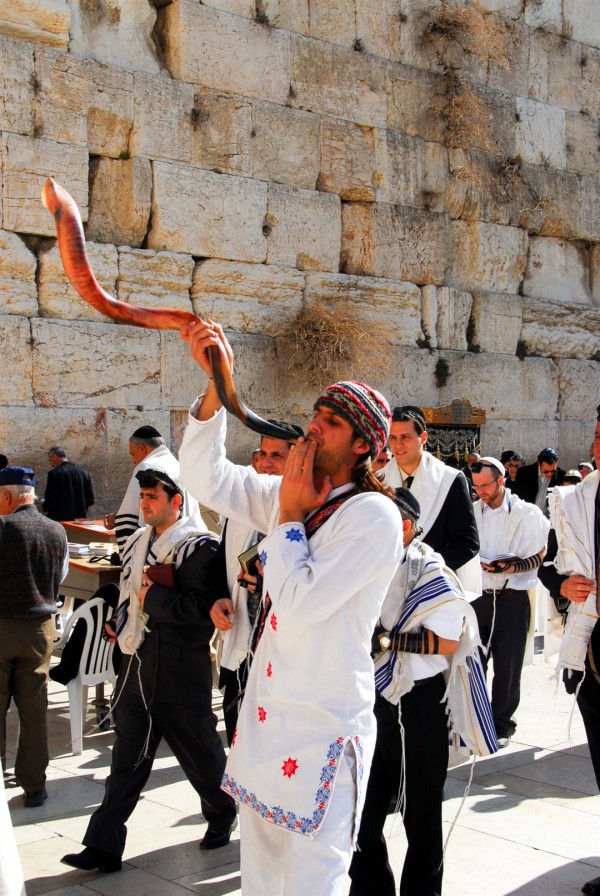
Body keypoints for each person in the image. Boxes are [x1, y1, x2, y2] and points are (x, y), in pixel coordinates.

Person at [179, 318, 403, 896]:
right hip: (268, 723)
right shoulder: (290, 493)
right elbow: (203, 478)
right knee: (260, 880)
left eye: (330, 423)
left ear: (361, 447)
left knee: (312, 884)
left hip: (325, 729)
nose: (312, 427)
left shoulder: (372, 517)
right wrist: (214, 384)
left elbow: (301, 604)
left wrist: (289, 517)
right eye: (316, 414)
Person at [62, 467, 236, 874]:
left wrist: (151, 595)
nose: (144, 503)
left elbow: (199, 611)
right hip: (136, 663)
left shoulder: (200, 548)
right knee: (126, 759)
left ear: (177, 501)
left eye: (152, 497)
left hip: (180, 671)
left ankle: (223, 809)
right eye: (142, 496)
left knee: (200, 754)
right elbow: (128, 592)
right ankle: (103, 845)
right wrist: (121, 620)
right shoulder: (139, 541)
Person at [349, 488, 496, 896]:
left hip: (420, 703)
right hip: (372, 699)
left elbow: (449, 641)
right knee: (362, 806)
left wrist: (386, 642)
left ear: (406, 528)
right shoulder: (363, 568)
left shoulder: (432, 574)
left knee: (422, 812)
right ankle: (370, 887)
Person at [538, 406, 600, 896]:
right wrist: (564, 583)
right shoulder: (574, 502)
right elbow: (546, 567)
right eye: (597, 435)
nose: (597, 446)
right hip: (594, 662)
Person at [211, 422, 303, 745]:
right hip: (241, 644)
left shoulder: (307, 512)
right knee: (237, 740)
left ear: (297, 459)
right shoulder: (241, 506)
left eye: (277, 455)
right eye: (262, 454)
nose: (266, 462)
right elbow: (219, 558)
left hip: (282, 659)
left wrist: (266, 584)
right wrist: (218, 598)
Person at [0, 466, 68, 807]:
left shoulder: (2, 526)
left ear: (8, 496)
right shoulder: (57, 531)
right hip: (40, 629)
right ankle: (35, 786)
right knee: (34, 708)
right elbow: (62, 574)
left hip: (2, 623)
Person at [471, 457, 550, 747]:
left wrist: (511, 567)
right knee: (472, 662)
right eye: (476, 485)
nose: (480, 490)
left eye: (485, 485)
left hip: (512, 598)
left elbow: (542, 552)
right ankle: (474, 721)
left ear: (501, 481)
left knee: (508, 666)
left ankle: (502, 725)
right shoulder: (470, 510)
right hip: (478, 598)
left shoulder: (528, 513)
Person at [383, 405, 481, 597]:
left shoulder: (450, 480)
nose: (398, 445)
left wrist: (422, 572)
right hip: (387, 589)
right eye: (393, 438)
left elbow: (467, 544)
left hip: (436, 588)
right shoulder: (379, 480)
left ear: (424, 438)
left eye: (406, 437)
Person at [105, 425, 201, 556]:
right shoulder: (180, 467)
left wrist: (128, 559)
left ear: (143, 449)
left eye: (133, 454)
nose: (134, 461)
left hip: (157, 549)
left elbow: (128, 518)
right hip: (188, 547)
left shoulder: (145, 467)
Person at [43, 447, 95, 522]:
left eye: (50, 459)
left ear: (55, 457)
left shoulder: (54, 473)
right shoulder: (85, 473)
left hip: (60, 520)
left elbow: (51, 501)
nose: (50, 463)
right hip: (79, 521)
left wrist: (43, 504)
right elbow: (90, 500)